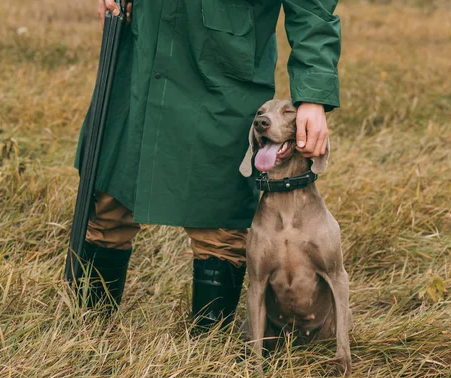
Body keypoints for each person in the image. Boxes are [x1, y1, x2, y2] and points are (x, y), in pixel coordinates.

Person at [70, 0, 341, 330]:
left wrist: (313, 96)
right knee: (109, 192)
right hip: (140, 54)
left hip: (224, 64)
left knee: (218, 212)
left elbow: (313, 9)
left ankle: (209, 346)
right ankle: (87, 328)